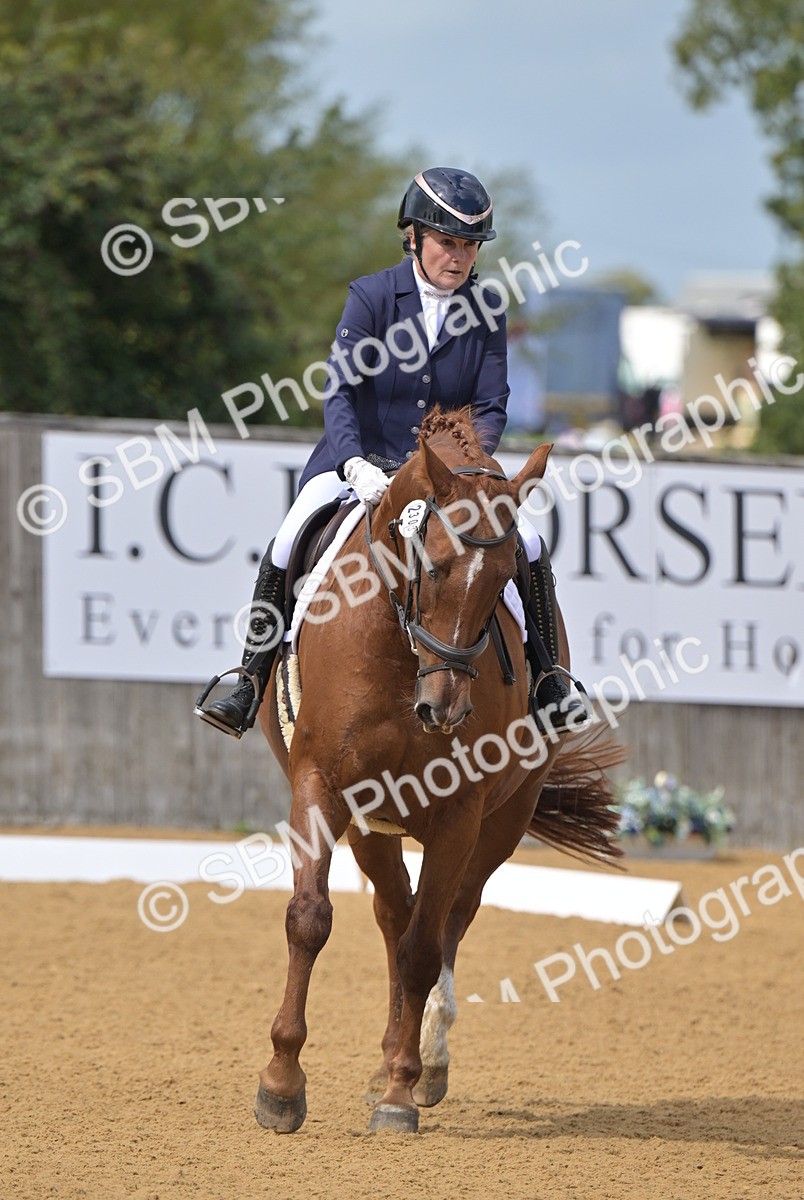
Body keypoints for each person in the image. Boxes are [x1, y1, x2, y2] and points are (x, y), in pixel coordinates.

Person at [195, 166, 586, 738]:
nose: (459, 257)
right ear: (414, 236)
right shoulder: (373, 297)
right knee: (289, 538)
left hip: (448, 478)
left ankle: (549, 680)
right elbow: (343, 391)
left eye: (470, 246)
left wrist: (462, 473)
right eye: (448, 242)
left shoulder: (488, 310)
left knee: (527, 542)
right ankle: (250, 677)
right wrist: (353, 461)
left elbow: (491, 406)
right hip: (359, 465)